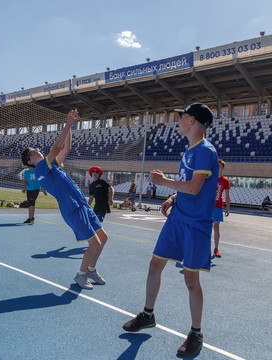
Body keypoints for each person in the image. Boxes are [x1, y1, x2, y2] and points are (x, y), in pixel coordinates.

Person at [122, 103, 219, 358]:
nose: (179, 119)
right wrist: (174, 196)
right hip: (178, 218)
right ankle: (148, 314)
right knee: (155, 264)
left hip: (196, 224)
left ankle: (196, 333)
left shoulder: (206, 151)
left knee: (190, 280)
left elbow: (196, 188)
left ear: (194, 121)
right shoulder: (190, 150)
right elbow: (188, 185)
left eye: (183, 116)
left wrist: (164, 182)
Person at [21, 109, 108, 290]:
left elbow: (66, 148)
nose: (36, 151)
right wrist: (67, 123)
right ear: (29, 161)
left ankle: (91, 269)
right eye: (32, 152)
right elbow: (56, 148)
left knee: (103, 237)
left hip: (81, 204)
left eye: (35, 149)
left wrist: (70, 126)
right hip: (72, 208)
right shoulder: (40, 170)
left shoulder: (52, 164)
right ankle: (81, 275)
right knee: (95, 243)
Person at [212, 159, 230, 258]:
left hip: (218, 206)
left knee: (216, 227)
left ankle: (216, 248)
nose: (218, 168)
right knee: (205, 226)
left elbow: (227, 195)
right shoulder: (210, 178)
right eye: (217, 166)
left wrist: (227, 207)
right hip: (207, 206)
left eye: (220, 166)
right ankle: (203, 248)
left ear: (223, 168)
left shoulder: (225, 181)